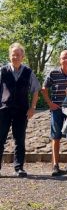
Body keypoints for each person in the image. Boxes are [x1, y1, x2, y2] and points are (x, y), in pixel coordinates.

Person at [0, 43, 40, 177]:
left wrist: (32, 107)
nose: (15, 57)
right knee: (0, 139)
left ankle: (19, 168)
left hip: (21, 110)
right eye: (13, 55)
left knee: (20, 140)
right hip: (4, 109)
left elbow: (36, 91)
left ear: (22, 57)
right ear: (9, 56)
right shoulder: (2, 71)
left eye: (18, 55)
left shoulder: (28, 72)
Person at [42, 50, 67, 176]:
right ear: (59, 60)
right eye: (63, 58)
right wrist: (50, 103)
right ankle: (55, 165)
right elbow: (44, 88)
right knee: (55, 137)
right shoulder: (53, 73)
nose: (66, 60)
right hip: (56, 110)